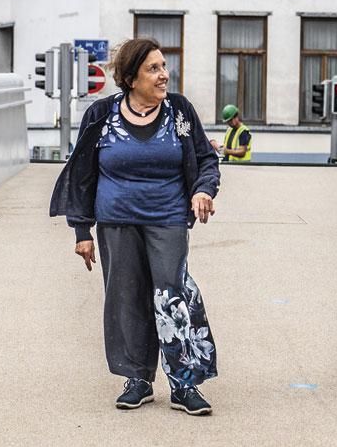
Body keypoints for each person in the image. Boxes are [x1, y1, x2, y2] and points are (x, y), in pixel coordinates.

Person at [50, 37, 221, 415]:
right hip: (116, 221)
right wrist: (81, 231)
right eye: (154, 69)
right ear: (130, 78)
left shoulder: (179, 110)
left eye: (164, 66)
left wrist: (202, 190)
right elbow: (82, 174)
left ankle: (184, 384)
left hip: (167, 218)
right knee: (125, 297)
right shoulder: (101, 115)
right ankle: (138, 379)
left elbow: (207, 160)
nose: (164, 75)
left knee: (172, 295)